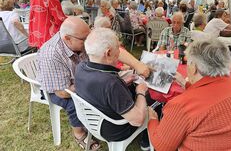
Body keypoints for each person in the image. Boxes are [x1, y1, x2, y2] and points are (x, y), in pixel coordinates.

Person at [37, 16, 151, 150]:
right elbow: (62, 92)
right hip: (58, 89)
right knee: (74, 104)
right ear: (68, 39)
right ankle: (78, 133)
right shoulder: (51, 54)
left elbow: (103, 51)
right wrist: (139, 91)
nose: (88, 41)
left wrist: (135, 65)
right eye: (85, 39)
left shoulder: (81, 62)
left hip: (85, 79)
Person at [147, 38, 231, 151]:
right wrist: (185, 83)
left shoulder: (182, 105)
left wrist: (152, 120)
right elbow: (214, 95)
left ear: (194, 68)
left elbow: (162, 146)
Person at [75, 28, 153, 150]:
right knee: (154, 100)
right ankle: (146, 142)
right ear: (108, 52)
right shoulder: (110, 84)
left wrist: (122, 82)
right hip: (116, 130)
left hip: (92, 120)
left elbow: (100, 89)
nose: (120, 52)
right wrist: (140, 92)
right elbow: (137, 120)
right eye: (118, 47)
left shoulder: (81, 67)